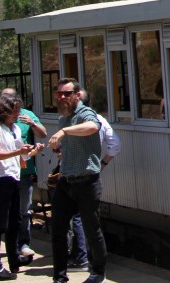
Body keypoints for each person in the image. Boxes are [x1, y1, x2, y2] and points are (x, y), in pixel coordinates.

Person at [48, 78, 106, 283]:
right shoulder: (63, 118)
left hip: (87, 181)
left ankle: (98, 272)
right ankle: (59, 276)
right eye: (59, 94)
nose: (62, 97)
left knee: (92, 229)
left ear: (77, 95)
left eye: (67, 93)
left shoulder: (84, 113)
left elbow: (93, 126)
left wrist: (65, 132)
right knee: (58, 229)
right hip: (66, 180)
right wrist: (58, 149)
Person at [0, 94, 41, 281]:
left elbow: (21, 156)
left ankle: (14, 259)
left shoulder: (14, 128)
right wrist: (19, 151)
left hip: (14, 178)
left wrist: (33, 152)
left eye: (18, 110)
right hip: (0, 179)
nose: (18, 114)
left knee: (14, 222)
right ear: (4, 111)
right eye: (14, 110)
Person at [67, 89, 121, 271]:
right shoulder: (100, 120)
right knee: (91, 218)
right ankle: (93, 259)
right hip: (93, 174)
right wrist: (102, 164)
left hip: (77, 175)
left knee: (77, 216)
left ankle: (81, 258)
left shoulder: (73, 121)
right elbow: (115, 145)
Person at [0, 88, 46, 261]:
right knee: (4, 212)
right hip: (3, 172)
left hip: (24, 172)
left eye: (11, 98)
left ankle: (23, 244)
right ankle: (2, 246)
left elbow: (43, 134)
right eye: (4, 98)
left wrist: (32, 124)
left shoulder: (26, 116)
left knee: (24, 211)